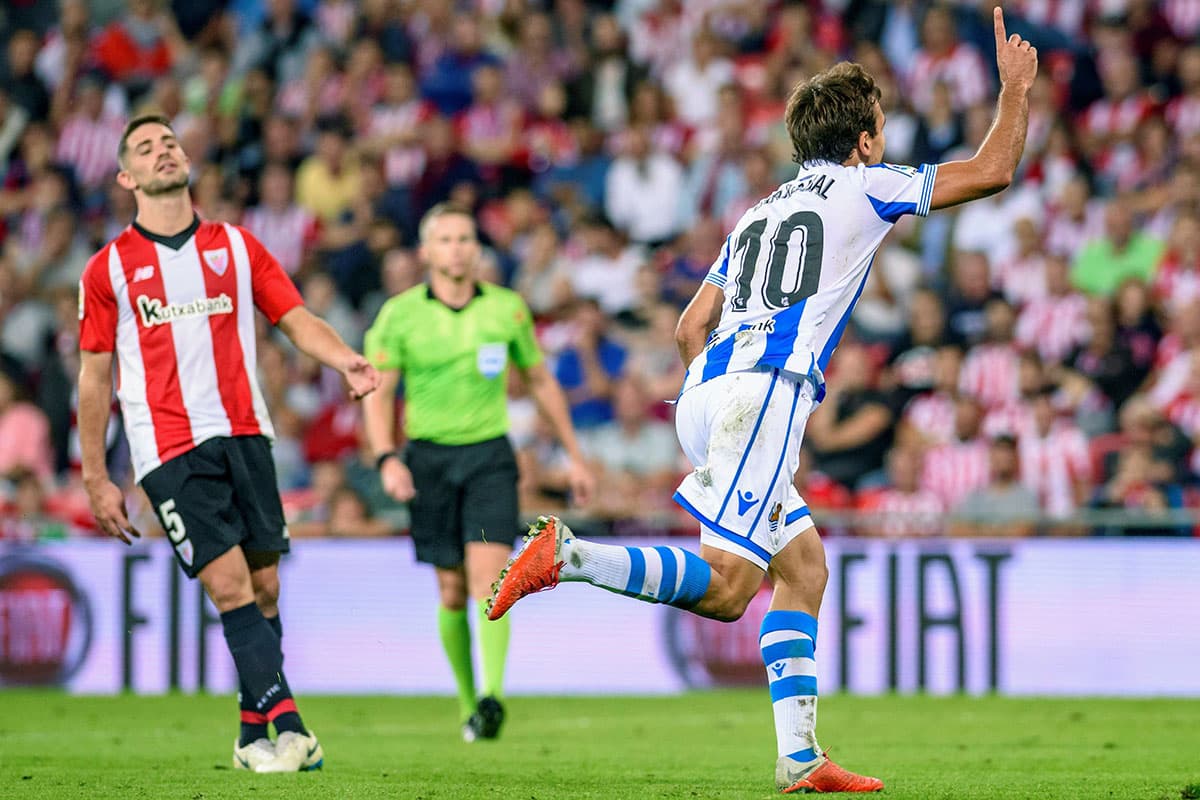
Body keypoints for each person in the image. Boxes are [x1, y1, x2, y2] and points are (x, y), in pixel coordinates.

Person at [489, 9, 1037, 794]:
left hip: (706, 393)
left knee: (804, 568)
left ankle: (800, 757)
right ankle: (570, 557)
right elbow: (991, 171)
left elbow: (689, 326)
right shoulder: (864, 185)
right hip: (764, 397)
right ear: (865, 140)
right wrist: (1015, 90)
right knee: (727, 587)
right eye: (878, 126)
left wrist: (721, 393)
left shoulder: (757, 213)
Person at [78, 114, 381, 774]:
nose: (165, 153)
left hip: (246, 431)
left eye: (171, 143)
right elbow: (95, 374)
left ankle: (250, 737)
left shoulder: (239, 248)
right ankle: (292, 727)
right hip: (168, 447)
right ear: (127, 176)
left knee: (265, 587)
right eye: (147, 149)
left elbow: (295, 318)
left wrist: (344, 359)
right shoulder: (108, 270)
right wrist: (96, 475)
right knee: (228, 583)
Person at [360, 203, 594, 742]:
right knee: (449, 590)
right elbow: (380, 392)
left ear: (477, 249)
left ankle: (491, 696)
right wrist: (386, 457)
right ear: (426, 251)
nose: (457, 248)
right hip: (428, 460)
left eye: (465, 238)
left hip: (490, 457)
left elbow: (540, 382)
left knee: (488, 583)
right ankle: (469, 704)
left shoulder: (507, 310)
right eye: (445, 239)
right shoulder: (399, 314)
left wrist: (575, 456)